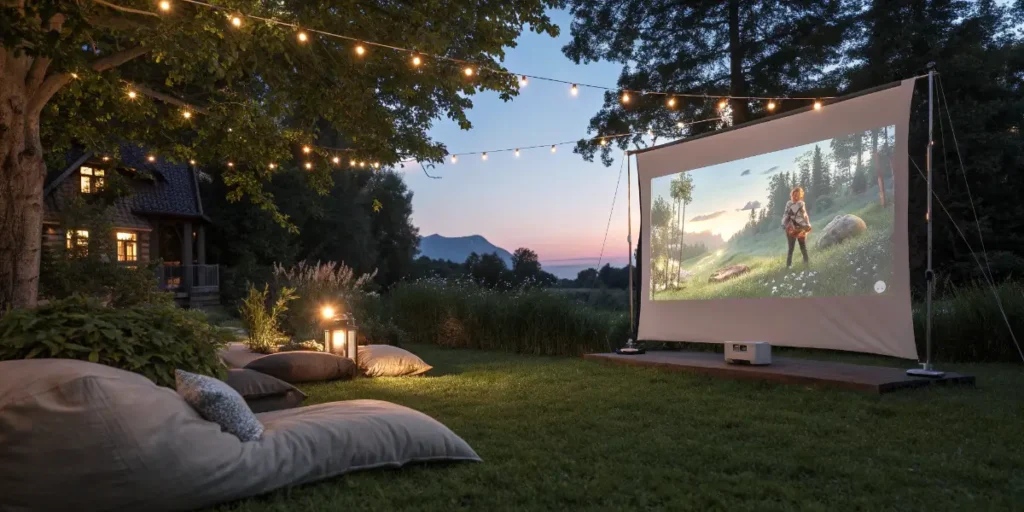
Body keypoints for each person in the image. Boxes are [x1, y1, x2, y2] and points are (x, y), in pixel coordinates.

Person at [781, 186, 811, 268]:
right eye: (794, 195)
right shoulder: (788, 203)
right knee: (791, 248)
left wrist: (808, 224)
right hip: (790, 228)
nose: (795, 197)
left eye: (797, 195)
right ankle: (788, 266)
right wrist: (783, 223)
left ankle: (806, 263)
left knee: (803, 246)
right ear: (791, 195)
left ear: (800, 196)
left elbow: (805, 214)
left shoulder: (801, 204)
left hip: (801, 227)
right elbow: (786, 214)